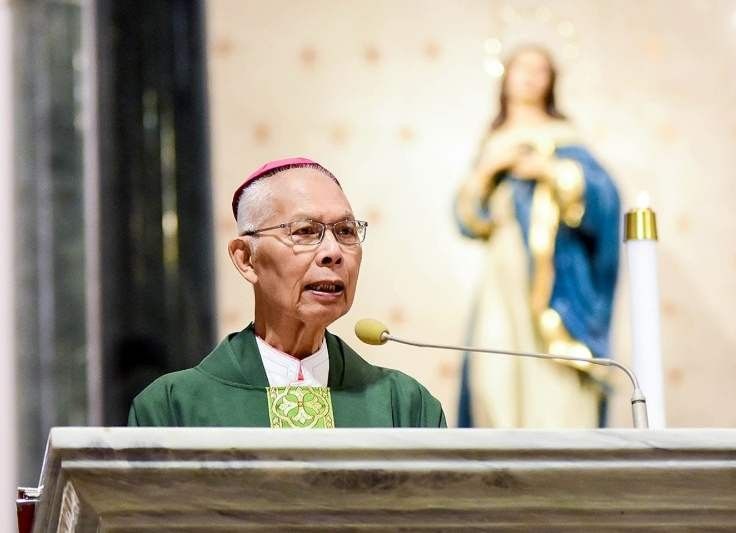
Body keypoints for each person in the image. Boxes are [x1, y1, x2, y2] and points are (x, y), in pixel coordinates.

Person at [129, 157, 446, 428]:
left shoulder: (405, 406)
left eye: (346, 231)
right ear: (246, 258)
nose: (332, 252)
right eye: (305, 231)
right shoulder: (171, 407)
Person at [456, 46, 620, 428]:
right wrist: (486, 172)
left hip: (554, 274)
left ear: (551, 82)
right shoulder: (492, 141)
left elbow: (604, 198)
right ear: (506, 77)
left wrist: (549, 170)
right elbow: (467, 219)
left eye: (540, 70)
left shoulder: (565, 139)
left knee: (553, 379)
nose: (529, 76)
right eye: (521, 68)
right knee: (494, 369)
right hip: (503, 269)